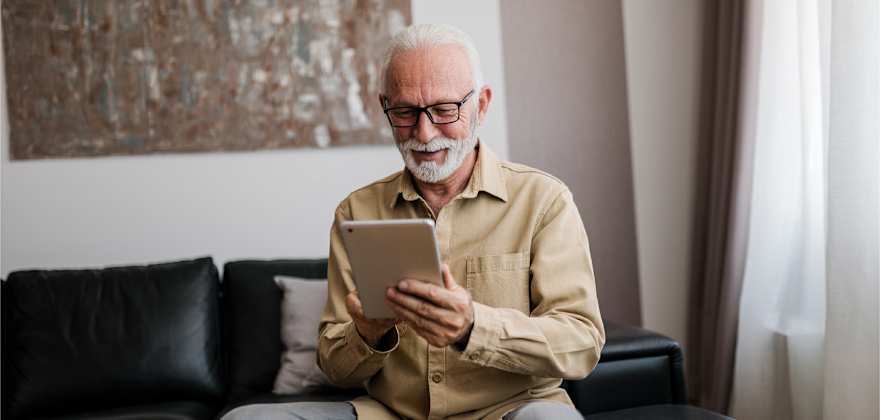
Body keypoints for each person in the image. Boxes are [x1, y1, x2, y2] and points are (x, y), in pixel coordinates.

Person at [223, 23, 604, 420]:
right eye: (405, 112)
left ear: (483, 105)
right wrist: (368, 334)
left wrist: (474, 327)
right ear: (386, 106)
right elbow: (334, 369)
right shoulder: (355, 212)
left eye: (444, 110)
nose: (424, 133)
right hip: (391, 414)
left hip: (510, 411)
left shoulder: (544, 202)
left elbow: (581, 344)